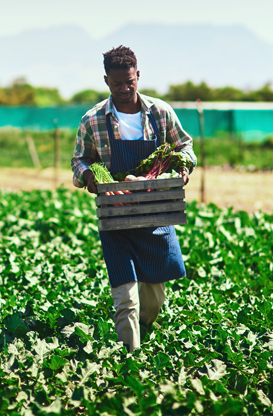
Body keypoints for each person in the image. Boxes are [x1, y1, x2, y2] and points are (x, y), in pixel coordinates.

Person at [71, 45, 197, 352]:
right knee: (125, 297)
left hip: (156, 212)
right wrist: (89, 177)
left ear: (137, 75)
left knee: (153, 299)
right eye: (117, 84)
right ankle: (130, 356)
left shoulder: (161, 112)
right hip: (116, 215)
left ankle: (145, 331)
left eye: (130, 81)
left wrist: (183, 168)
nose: (125, 89)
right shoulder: (93, 119)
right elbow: (79, 160)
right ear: (106, 81)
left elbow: (185, 147)